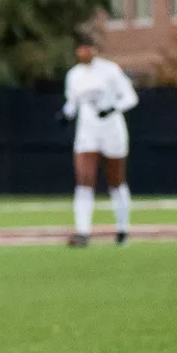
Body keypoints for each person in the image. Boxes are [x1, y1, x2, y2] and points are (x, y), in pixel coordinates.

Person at [61, 40, 138, 246]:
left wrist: (112, 109)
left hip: (111, 130)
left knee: (116, 181)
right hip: (87, 132)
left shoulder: (110, 71)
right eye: (80, 48)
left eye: (87, 48)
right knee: (84, 179)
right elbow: (72, 103)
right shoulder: (74, 75)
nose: (83, 52)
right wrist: (65, 115)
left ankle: (122, 230)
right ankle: (83, 232)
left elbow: (131, 98)